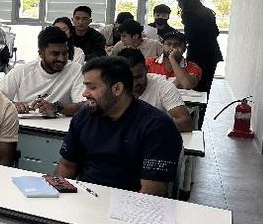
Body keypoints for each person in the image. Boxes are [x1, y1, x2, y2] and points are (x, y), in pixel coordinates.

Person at [54, 56, 182, 196]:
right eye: (85, 86)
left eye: (92, 87)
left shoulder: (157, 126)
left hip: (129, 203)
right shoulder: (84, 116)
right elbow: (67, 166)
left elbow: (152, 192)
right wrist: (56, 198)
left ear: (117, 89)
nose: (85, 93)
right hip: (85, 197)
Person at [0, 26, 85, 116]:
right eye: (55, 54)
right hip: (25, 124)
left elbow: (86, 105)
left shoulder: (76, 70)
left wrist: (56, 107)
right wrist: (13, 105)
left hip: (61, 125)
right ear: (41, 54)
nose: (61, 59)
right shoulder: (22, 71)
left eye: (65, 53)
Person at [117, 48, 195, 132]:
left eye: (138, 77)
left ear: (146, 69)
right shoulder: (112, 88)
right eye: (129, 78)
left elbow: (186, 123)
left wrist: (145, 130)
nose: (134, 83)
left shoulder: (163, 87)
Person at [175, 0, 222, 98]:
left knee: (195, 86)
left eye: (179, 1)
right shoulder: (207, 12)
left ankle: (196, 109)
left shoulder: (189, 14)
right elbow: (216, 32)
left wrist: (178, 40)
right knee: (206, 86)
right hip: (212, 53)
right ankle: (202, 108)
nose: (179, 4)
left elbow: (190, 37)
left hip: (198, 55)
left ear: (185, 0)